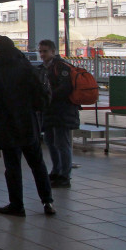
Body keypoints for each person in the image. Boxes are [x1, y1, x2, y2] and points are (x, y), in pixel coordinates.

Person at [0, 36, 56, 217]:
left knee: (13, 166)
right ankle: (47, 201)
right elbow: (40, 95)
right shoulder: (27, 67)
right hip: (29, 122)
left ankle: (17, 204)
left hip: (8, 124)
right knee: (37, 164)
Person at [38, 39, 80, 189]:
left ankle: (64, 175)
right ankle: (56, 171)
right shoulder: (44, 68)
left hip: (63, 111)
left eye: (45, 51)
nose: (42, 54)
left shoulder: (61, 67)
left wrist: (48, 96)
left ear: (53, 52)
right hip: (50, 111)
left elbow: (65, 88)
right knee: (50, 141)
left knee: (62, 143)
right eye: (40, 51)